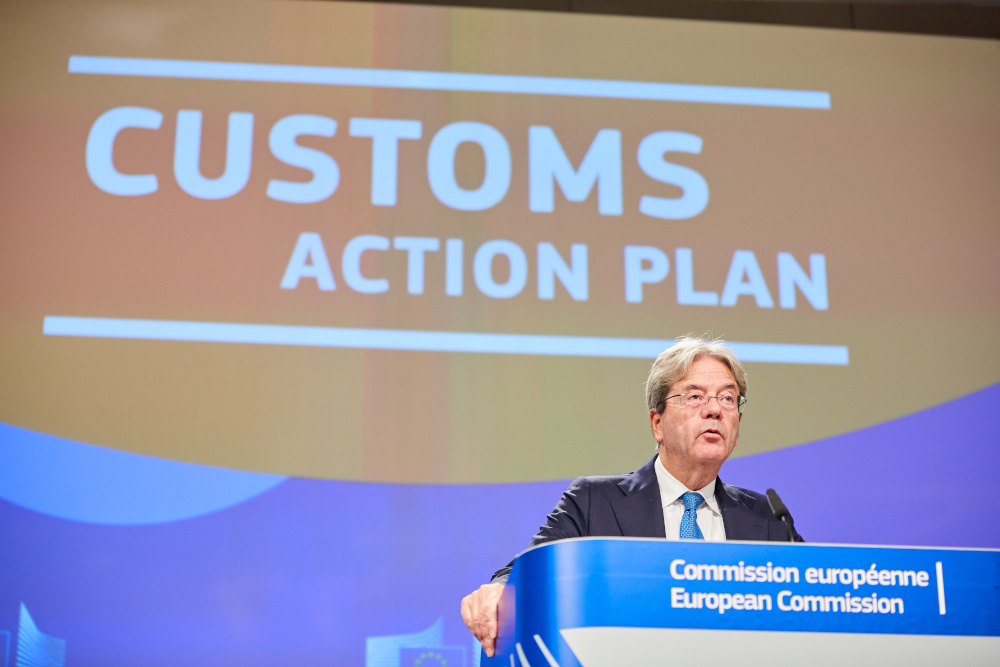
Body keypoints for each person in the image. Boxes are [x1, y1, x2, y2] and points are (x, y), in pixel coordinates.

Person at [460, 336, 802, 656]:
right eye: (695, 396)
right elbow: (524, 574)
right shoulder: (594, 501)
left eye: (728, 398)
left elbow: (815, 597)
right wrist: (497, 593)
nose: (715, 410)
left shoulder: (767, 518)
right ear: (657, 424)